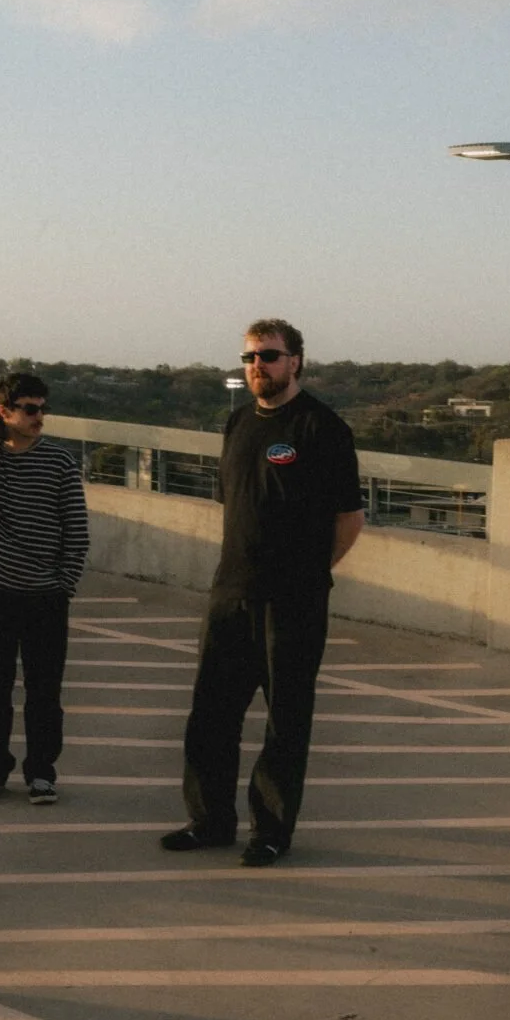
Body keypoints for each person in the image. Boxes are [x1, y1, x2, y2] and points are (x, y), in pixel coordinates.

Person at [161, 319, 365, 868]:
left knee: (285, 723)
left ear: (296, 361)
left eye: (270, 356)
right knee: (211, 717)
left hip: (293, 602)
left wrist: (310, 574)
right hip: (230, 594)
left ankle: (271, 831)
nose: (258, 366)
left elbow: (349, 518)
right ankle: (209, 822)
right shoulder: (238, 423)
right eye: (250, 356)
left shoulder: (322, 428)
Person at [0, 371, 90, 804]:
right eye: (29, 409)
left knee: (44, 693)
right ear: (4, 412)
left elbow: (77, 531)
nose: (39, 417)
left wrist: (62, 585)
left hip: (44, 597)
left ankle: (41, 773)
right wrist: (1, 427)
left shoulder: (59, 462)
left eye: (42, 408)